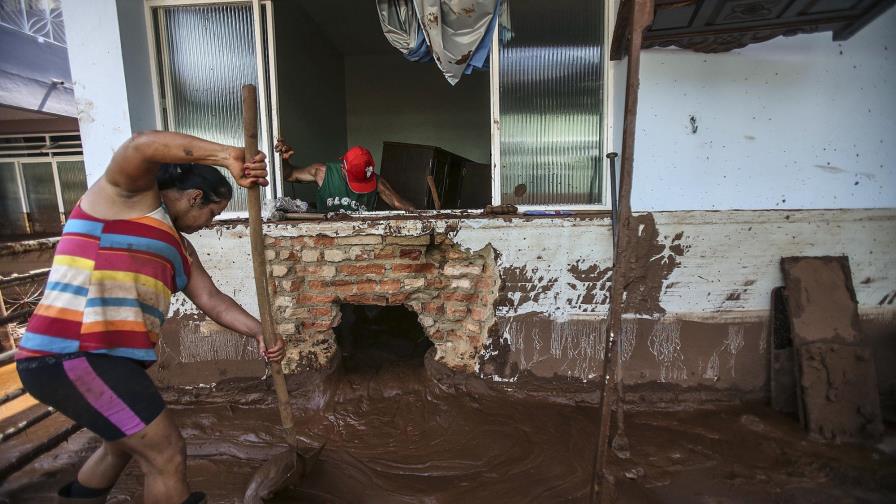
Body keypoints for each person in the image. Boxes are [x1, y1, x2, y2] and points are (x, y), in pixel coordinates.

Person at [15, 131, 285, 504]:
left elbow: (212, 300)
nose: (209, 223)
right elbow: (140, 146)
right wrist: (226, 156)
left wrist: (260, 332)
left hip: (102, 359)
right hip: (75, 352)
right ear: (195, 197)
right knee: (166, 453)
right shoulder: (125, 199)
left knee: (120, 445)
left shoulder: (180, 247)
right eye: (212, 213)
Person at [274, 138, 416, 212]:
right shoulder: (322, 172)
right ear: (343, 167)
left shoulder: (376, 181)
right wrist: (284, 160)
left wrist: (422, 216)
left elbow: (398, 203)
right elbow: (288, 175)